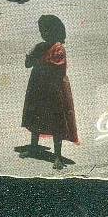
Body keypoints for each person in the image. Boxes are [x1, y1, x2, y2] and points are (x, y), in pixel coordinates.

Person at [20, 15, 79, 170]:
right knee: (35, 116)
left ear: (55, 31)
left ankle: (57, 156)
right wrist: (31, 54)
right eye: (42, 30)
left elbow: (55, 68)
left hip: (53, 89)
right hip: (38, 86)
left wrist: (37, 56)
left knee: (56, 120)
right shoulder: (40, 46)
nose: (43, 33)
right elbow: (28, 64)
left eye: (46, 30)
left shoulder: (58, 48)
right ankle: (34, 147)